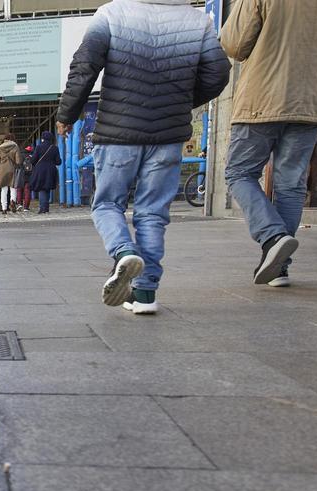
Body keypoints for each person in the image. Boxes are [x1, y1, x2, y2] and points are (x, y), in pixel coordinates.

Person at [57, 0, 230, 315]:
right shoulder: (198, 21)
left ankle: (123, 251)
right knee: (152, 214)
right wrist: (180, 102)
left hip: (117, 132)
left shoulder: (112, 13)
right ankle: (145, 294)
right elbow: (218, 73)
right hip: (167, 136)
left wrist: (67, 113)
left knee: (108, 204)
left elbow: (85, 65)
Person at [222, 0, 317, 287]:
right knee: (291, 183)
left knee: (239, 173)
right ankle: (279, 267)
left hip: (263, 95)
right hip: (313, 98)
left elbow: (234, 44)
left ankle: (272, 236)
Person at [28, 134, 61, 213]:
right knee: (47, 188)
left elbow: (33, 160)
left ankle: (43, 208)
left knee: (42, 188)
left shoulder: (39, 147)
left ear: (43, 138)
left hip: (41, 170)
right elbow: (58, 162)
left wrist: (31, 158)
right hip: (51, 170)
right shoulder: (55, 148)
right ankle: (46, 208)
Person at [0, 133, 21, 214]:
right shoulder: (15, 146)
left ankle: (4, 208)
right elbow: (18, 161)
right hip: (12, 169)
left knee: (3, 190)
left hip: (2, 170)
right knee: (13, 188)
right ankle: (13, 201)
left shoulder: (0, 148)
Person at [16, 145, 33, 210]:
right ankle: (26, 207)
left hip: (21, 174)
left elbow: (18, 164)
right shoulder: (32, 155)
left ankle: (19, 204)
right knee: (27, 191)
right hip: (29, 175)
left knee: (19, 190)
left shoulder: (21, 154)